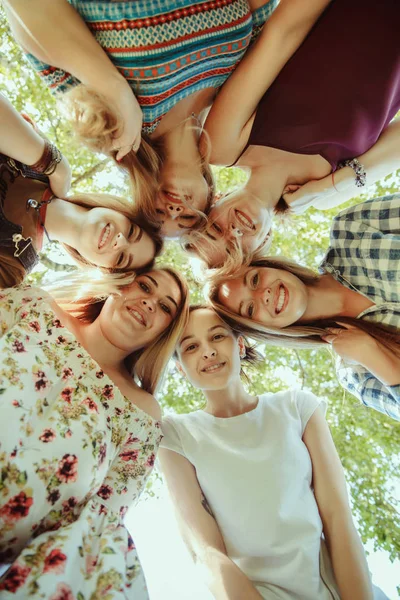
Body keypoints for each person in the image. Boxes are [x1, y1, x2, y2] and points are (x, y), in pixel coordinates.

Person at [3, 0, 328, 237]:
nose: (174, 210)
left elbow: (24, 10)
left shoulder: (112, 126)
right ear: (209, 194)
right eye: (187, 218)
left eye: (158, 213)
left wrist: (113, 88)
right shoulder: (229, 97)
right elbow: (273, 20)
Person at [159, 305, 386, 599]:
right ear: (180, 368)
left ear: (239, 345)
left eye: (217, 337)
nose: (208, 351)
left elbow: (337, 516)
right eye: (191, 346)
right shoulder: (176, 435)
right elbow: (206, 553)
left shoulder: (298, 407)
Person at [0, 266, 189, 598]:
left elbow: (102, 522)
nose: (149, 303)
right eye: (145, 286)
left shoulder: (142, 416)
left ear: (164, 332)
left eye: (164, 307)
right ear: (118, 285)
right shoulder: (34, 305)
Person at [200, 0, 400, 250]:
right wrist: (327, 186)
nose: (235, 232)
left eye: (216, 229)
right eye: (234, 249)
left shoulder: (222, 146)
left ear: (214, 200)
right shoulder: (328, 194)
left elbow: (280, 36)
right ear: (265, 240)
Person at [207, 194, 400, 421]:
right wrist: (370, 353)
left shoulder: (351, 229)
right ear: (261, 329)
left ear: (269, 266)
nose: (264, 295)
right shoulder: (355, 372)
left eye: (255, 280)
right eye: (249, 309)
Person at [0, 94, 162, 288]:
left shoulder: (14, 268)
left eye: (120, 258)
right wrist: (59, 170)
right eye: (132, 231)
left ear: (100, 267)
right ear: (121, 212)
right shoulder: (48, 166)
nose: (120, 241)